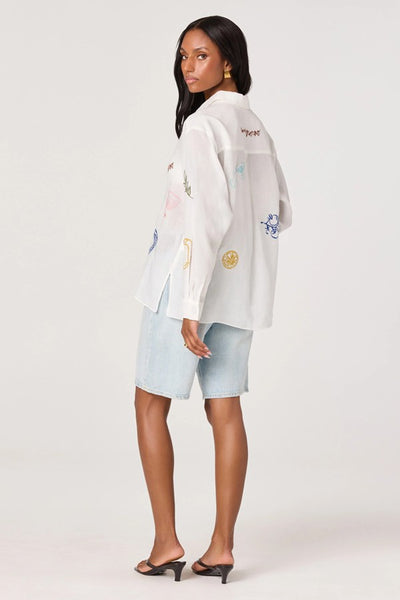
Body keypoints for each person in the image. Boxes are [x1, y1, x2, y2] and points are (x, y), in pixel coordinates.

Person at [133, 15, 292, 584]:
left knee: (149, 404)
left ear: (228, 61)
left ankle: (166, 543)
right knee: (224, 408)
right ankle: (221, 547)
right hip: (237, 291)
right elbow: (281, 213)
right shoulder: (255, 128)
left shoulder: (203, 127)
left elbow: (205, 218)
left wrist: (192, 303)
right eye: (183, 56)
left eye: (201, 55)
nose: (188, 67)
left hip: (183, 289)